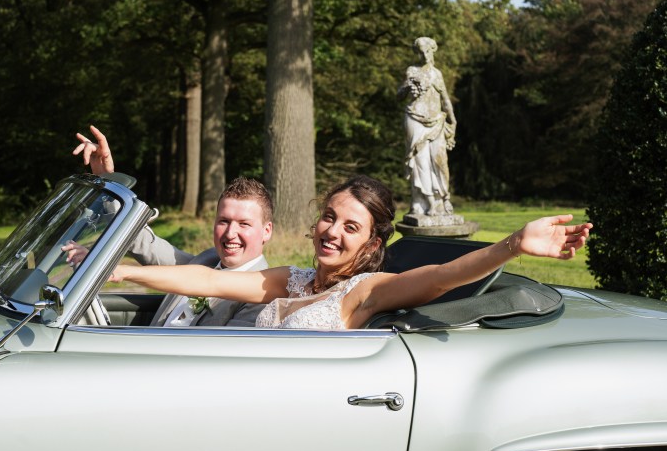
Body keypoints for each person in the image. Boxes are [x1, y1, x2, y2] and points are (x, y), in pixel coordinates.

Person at [109, 175, 592, 330]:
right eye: (329, 217)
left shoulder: (363, 291)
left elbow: (440, 277)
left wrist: (512, 245)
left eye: (351, 227)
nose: (332, 232)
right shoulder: (293, 279)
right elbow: (211, 281)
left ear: (372, 243)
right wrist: (125, 273)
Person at [68, 125, 274, 327]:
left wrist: (122, 271)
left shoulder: (262, 296)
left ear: (266, 231)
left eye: (244, 224)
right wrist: (108, 180)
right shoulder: (207, 260)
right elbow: (144, 244)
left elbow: (224, 349)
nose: (230, 233)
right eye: (224, 221)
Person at [398, 37, 457, 217]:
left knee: (440, 161)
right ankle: (424, 203)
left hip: (437, 120)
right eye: (421, 52)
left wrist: (453, 120)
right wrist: (407, 87)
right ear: (417, 53)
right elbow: (399, 96)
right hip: (414, 118)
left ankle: (443, 198)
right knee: (420, 161)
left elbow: (445, 99)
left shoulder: (437, 74)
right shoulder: (412, 71)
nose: (424, 55)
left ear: (433, 51)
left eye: (428, 51)